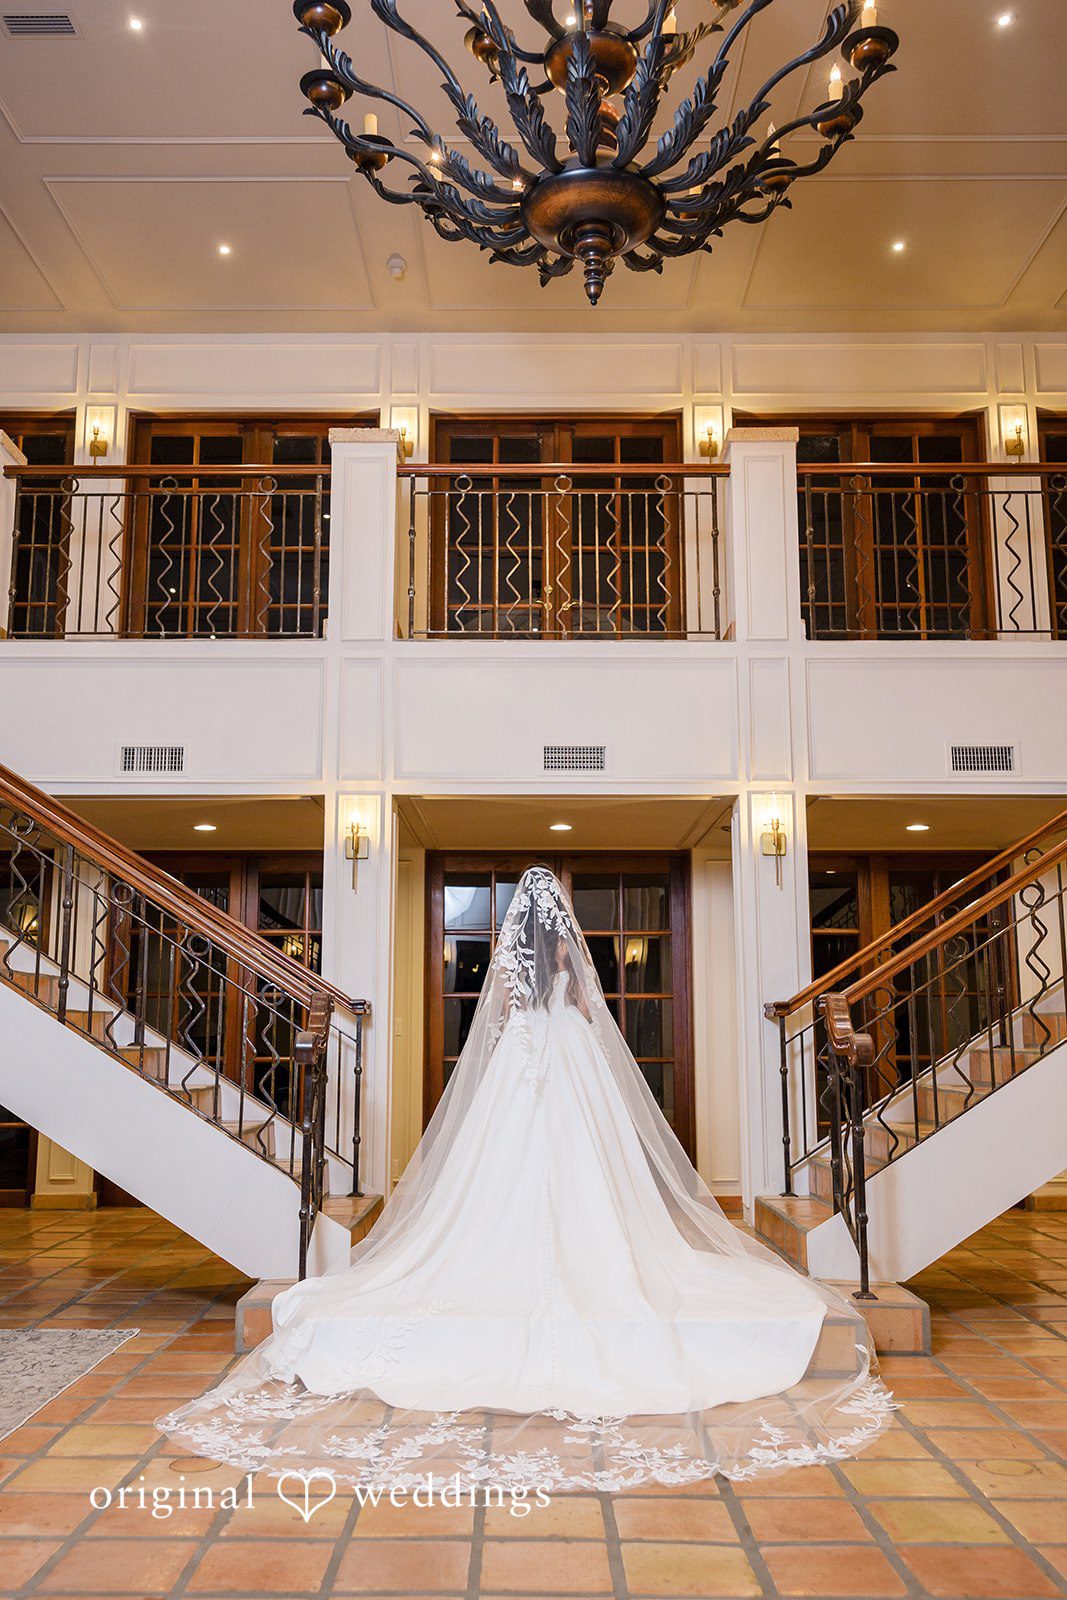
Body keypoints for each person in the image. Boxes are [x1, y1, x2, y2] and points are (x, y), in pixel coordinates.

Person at [160, 866, 891, 1490]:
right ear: (562, 924)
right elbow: (585, 1014)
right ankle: (596, 1258)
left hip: (523, 1065)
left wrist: (528, 1023)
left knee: (499, 1172)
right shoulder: (570, 966)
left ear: (518, 922)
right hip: (567, 1061)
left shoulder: (510, 962)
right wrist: (566, 1002)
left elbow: (504, 1015)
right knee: (589, 1169)